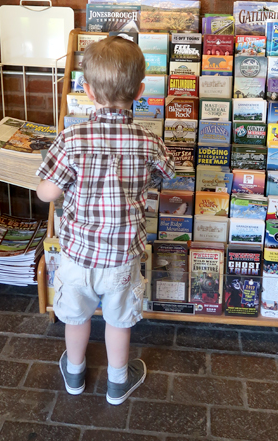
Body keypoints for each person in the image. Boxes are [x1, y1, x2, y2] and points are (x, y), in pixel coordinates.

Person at [35, 37, 176, 405]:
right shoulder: (149, 141)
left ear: (87, 91)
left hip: (78, 255)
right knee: (118, 320)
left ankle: (76, 374)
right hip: (122, 257)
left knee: (75, 317)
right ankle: (116, 383)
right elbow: (167, 175)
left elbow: (47, 194)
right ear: (141, 91)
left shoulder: (71, 138)